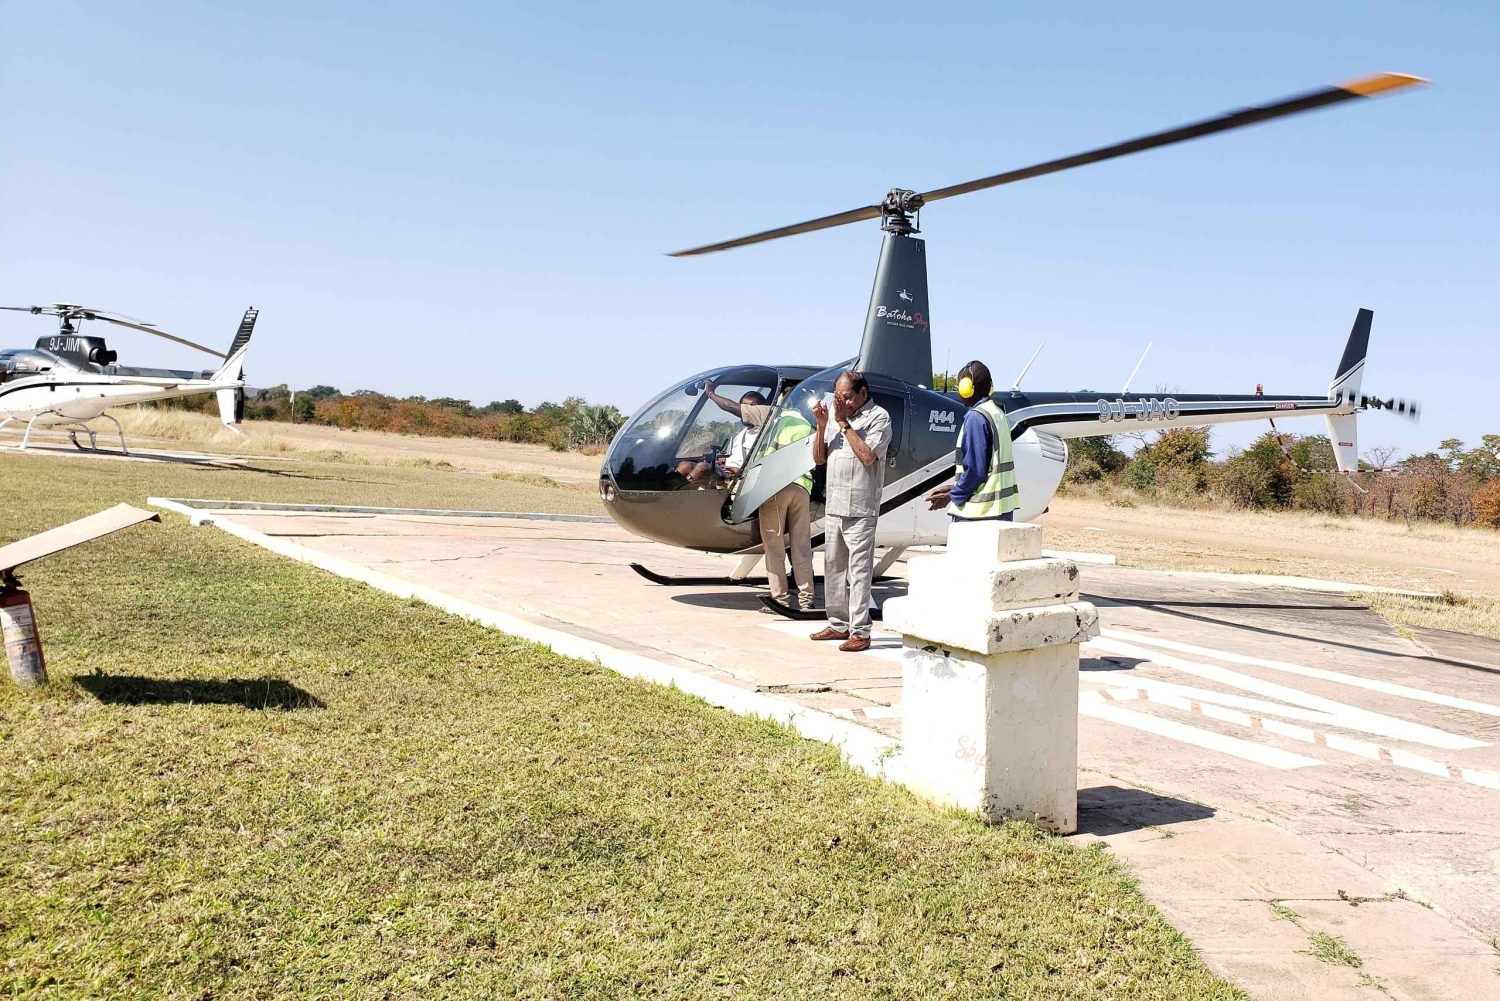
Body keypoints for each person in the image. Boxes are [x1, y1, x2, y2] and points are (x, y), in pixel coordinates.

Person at [704, 381, 815, 610]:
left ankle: (779, 598)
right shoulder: (805, 421)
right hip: (802, 488)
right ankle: (806, 601)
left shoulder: (774, 415)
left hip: (776, 488)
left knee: (774, 548)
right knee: (801, 546)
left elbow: (733, 408)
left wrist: (711, 394)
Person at [809, 370, 890, 652]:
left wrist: (844, 423)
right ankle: (837, 623)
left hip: (861, 508)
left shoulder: (879, 417)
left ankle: (861, 631)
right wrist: (822, 426)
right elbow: (819, 459)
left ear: (863, 394)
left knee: (858, 572)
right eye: (838, 397)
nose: (842, 403)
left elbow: (868, 457)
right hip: (834, 506)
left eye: (847, 397)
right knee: (832, 567)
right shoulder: (834, 417)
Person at [925, 359, 1018, 521]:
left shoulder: (976, 417)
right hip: (1001, 511)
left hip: (979, 513)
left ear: (966, 388)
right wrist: (953, 487)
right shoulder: (997, 413)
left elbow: (976, 471)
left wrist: (952, 496)